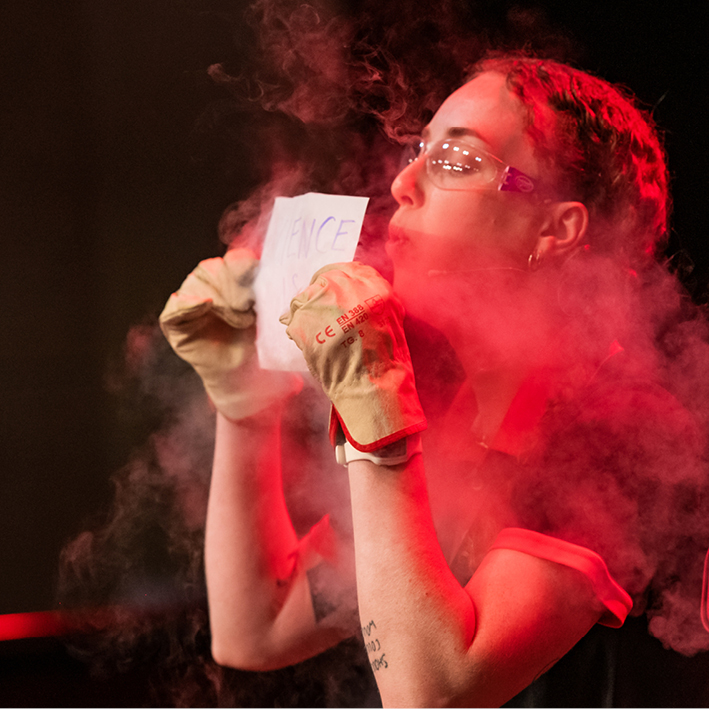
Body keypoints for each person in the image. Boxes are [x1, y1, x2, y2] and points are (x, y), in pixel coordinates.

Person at [159, 54, 709, 706]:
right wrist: (246, 401)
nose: (403, 184)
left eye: (456, 160)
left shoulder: (622, 423)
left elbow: (432, 694)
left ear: (555, 228)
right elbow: (255, 630)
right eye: (418, 151)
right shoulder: (455, 416)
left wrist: (377, 420)